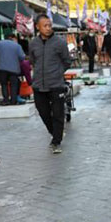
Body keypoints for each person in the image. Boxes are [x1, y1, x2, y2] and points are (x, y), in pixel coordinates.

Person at [29, 14, 70, 153]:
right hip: (39, 84)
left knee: (58, 113)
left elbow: (67, 61)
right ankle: (55, 133)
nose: (48, 28)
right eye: (44, 26)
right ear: (37, 27)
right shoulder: (33, 43)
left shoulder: (60, 43)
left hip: (56, 84)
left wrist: (58, 73)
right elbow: (33, 61)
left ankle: (56, 142)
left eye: (49, 25)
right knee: (43, 112)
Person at [0, 32, 25, 105]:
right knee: (14, 85)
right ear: (13, 38)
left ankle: (6, 100)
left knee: (4, 84)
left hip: (2, 68)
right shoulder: (17, 46)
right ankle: (13, 101)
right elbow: (22, 57)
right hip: (14, 69)